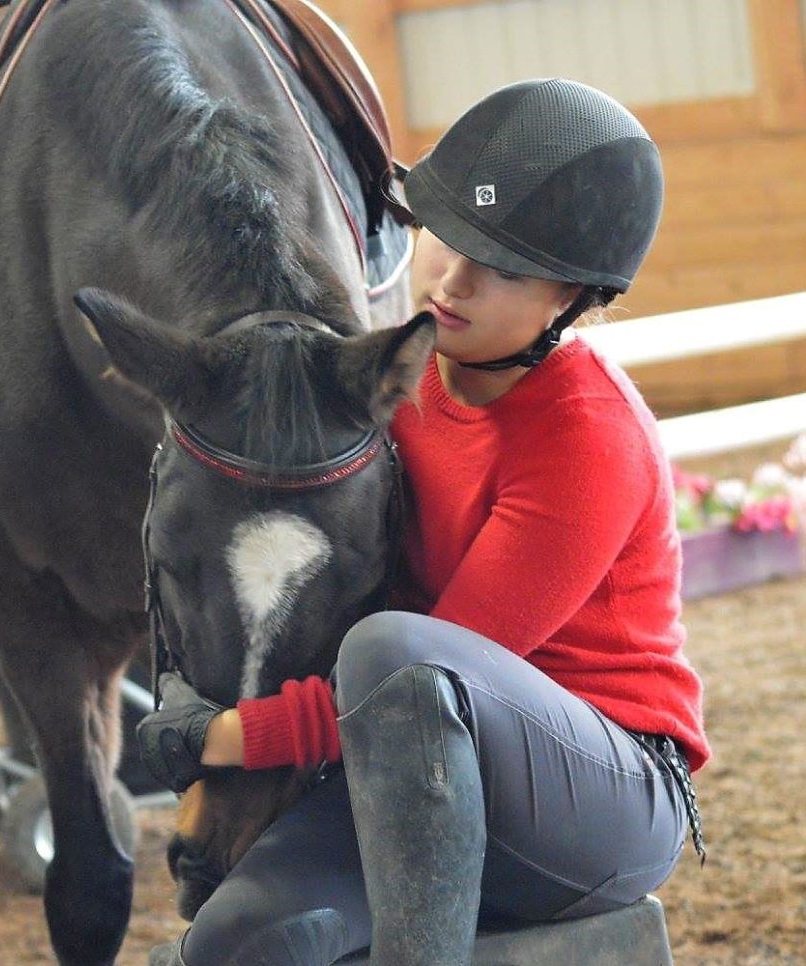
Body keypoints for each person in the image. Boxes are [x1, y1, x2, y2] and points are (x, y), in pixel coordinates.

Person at [139, 77, 709, 966]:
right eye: (445, 236)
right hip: (404, 766)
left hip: (599, 798)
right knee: (236, 941)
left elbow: (421, 671)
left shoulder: (587, 434)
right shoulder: (394, 377)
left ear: (570, 296)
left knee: (394, 650)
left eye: (505, 268)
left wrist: (226, 736)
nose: (453, 280)